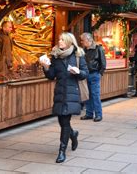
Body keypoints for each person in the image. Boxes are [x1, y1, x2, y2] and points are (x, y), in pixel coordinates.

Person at [40, 32, 89, 163]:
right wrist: (45, 67)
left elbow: (85, 73)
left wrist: (78, 72)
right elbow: (51, 76)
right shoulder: (55, 56)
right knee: (62, 121)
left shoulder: (78, 55)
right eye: (59, 39)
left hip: (72, 92)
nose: (59, 41)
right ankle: (73, 134)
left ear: (69, 42)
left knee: (65, 122)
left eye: (62, 39)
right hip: (60, 92)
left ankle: (62, 151)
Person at [80, 32, 106, 122]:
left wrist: (100, 73)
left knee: (95, 95)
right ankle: (89, 114)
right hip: (86, 74)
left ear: (89, 40)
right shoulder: (84, 50)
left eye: (83, 40)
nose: (82, 42)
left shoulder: (98, 48)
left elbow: (103, 63)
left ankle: (99, 114)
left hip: (94, 74)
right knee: (87, 95)